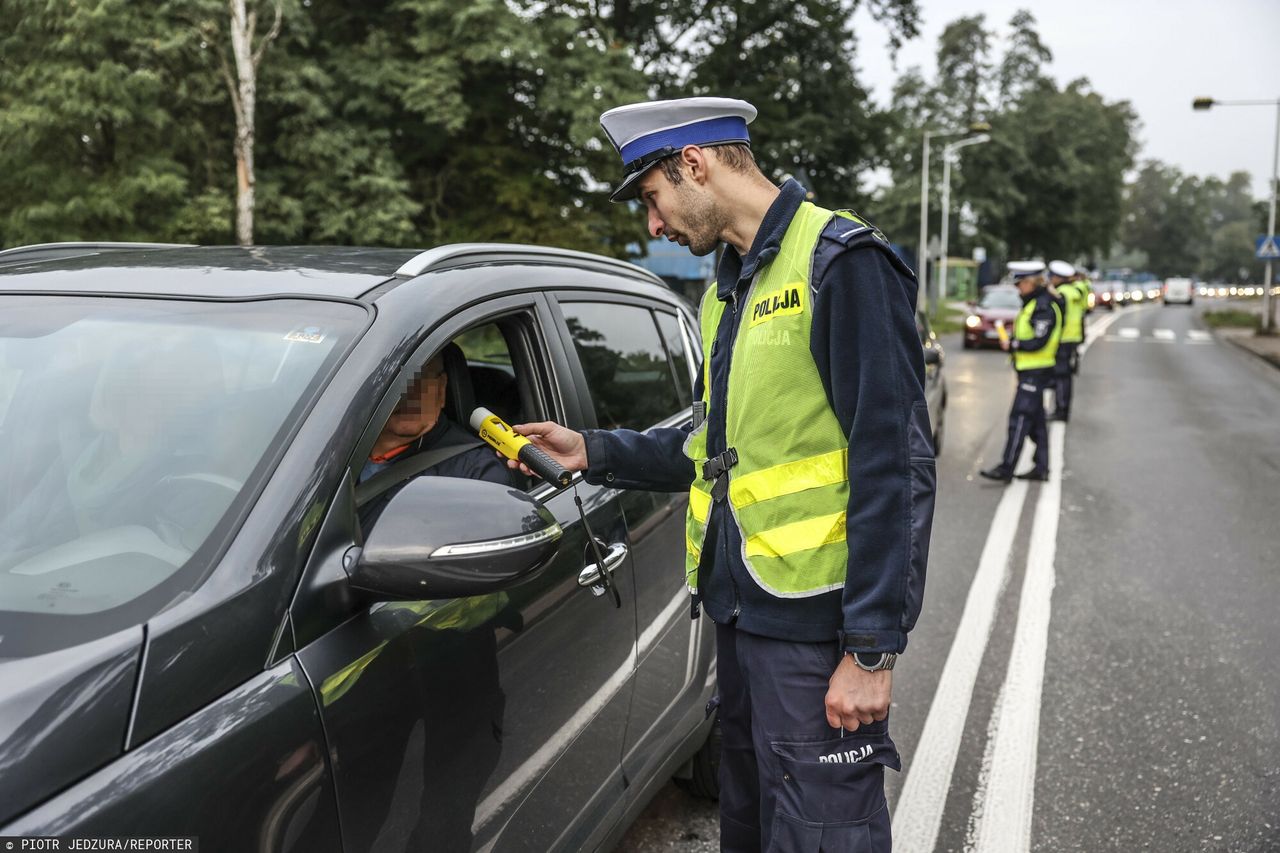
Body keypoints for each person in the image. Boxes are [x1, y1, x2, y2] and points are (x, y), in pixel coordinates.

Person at [504, 97, 935, 851]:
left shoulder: (842, 262)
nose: (655, 224)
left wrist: (870, 649)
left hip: (815, 630)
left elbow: (894, 466)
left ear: (694, 165)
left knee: (824, 830)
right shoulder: (726, 291)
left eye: (652, 197)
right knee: (751, 818)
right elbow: (716, 453)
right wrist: (594, 449)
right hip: (739, 621)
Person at [359, 346, 509, 524]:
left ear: (441, 388)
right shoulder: (334, 449)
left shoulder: (476, 474)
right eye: (397, 381)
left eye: (422, 378)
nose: (410, 393)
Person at [980, 261, 1062, 483]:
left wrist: (1016, 344)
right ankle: (1042, 467)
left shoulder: (1043, 306)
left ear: (1031, 282)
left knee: (1019, 418)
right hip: (1029, 371)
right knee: (1037, 423)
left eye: (1020, 284)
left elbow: (1038, 341)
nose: (1018, 289)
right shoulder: (1036, 302)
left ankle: (1006, 468)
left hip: (1035, 371)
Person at [1048, 259, 1085, 421]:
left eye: (1052, 276)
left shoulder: (1061, 293)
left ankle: (1061, 411)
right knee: (1064, 376)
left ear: (1058, 278)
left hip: (1062, 339)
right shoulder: (1075, 291)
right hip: (1073, 337)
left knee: (1061, 377)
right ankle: (1062, 408)